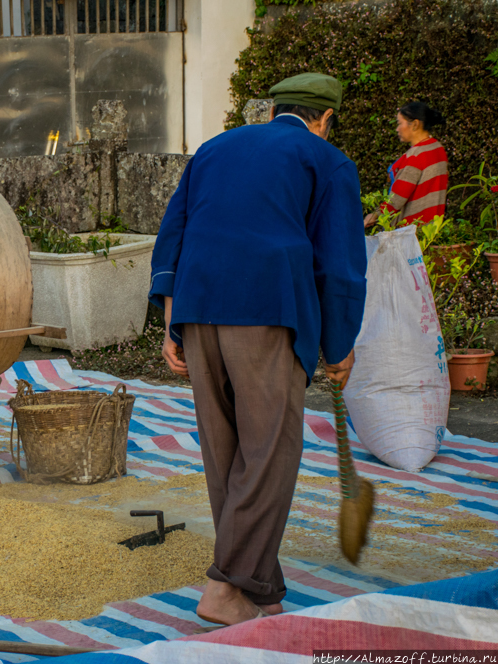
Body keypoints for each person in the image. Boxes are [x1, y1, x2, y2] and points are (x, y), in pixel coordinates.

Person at [149, 73, 367, 628]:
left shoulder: (215, 148)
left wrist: (171, 316)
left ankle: (259, 585)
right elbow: (338, 265)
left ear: (273, 110)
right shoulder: (328, 160)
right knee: (268, 452)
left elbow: (173, 229)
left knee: (226, 452)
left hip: (198, 306)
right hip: (267, 310)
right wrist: (339, 345)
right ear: (325, 117)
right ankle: (224, 589)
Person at [364, 101, 448, 228]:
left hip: (411, 231)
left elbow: (397, 199)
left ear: (414, 124)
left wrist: (374, 216)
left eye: (399, 123)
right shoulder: (438, 148)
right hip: (432, 228)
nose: (397, 129)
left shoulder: (416, 155)